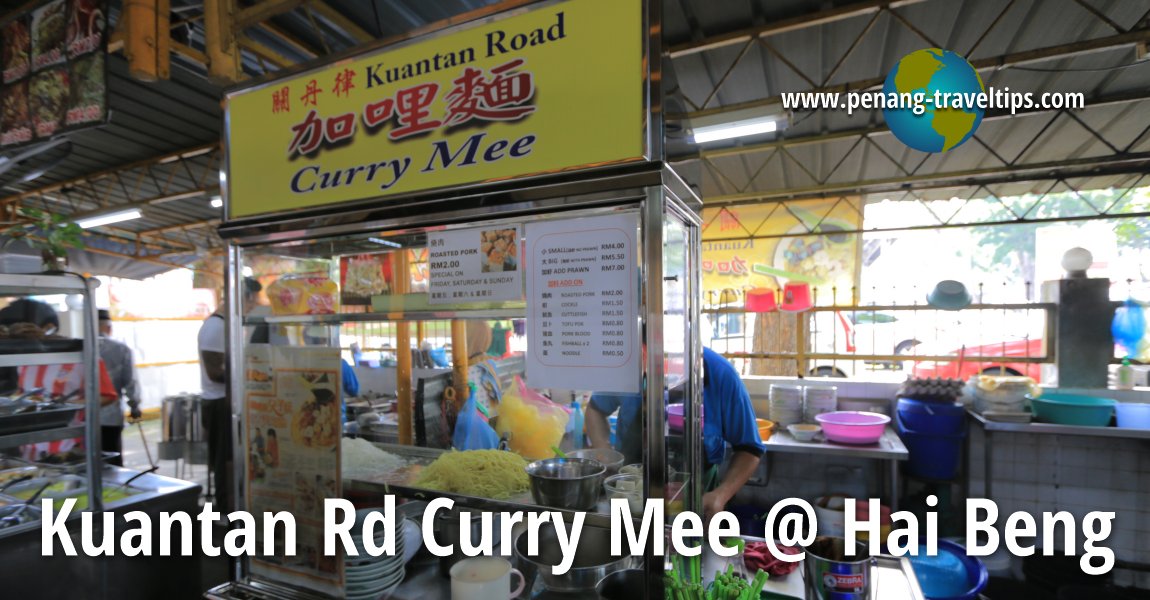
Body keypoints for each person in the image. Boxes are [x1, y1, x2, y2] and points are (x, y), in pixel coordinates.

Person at [585, 347, 764, 520]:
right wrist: (606, 454)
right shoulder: (627, 366)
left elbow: (749, 449)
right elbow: (595, 410)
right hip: (627, 502)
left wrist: (720, 495)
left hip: (695, 505)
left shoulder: (720, 374)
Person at [0, 300, 119, 460]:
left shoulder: (80, 356)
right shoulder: (24, 359)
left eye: (24, 333)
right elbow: (22, 393)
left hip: (69, 444)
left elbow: (107, 396)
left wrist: (63, 407)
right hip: (30, 444)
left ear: (49, 328)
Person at [199, 276, 262, 512]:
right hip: (218, 404)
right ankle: (227, 513)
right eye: (252, 302)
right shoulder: (215, 326)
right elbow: (215, 372)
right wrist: (250, 375)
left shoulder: (229, 325)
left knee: (234, 460)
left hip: (229, 402)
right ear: (243, 297)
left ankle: (236, 507)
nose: (252, 307)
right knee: (225, 462)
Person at [97, 309, 141, 466]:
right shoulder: (121, 349)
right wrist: (135, 406)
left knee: (88, 461)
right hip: (111, 416)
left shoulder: (80, 348)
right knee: (112, 460)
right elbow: (130, 382)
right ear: (109, 327)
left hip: (83, 418)